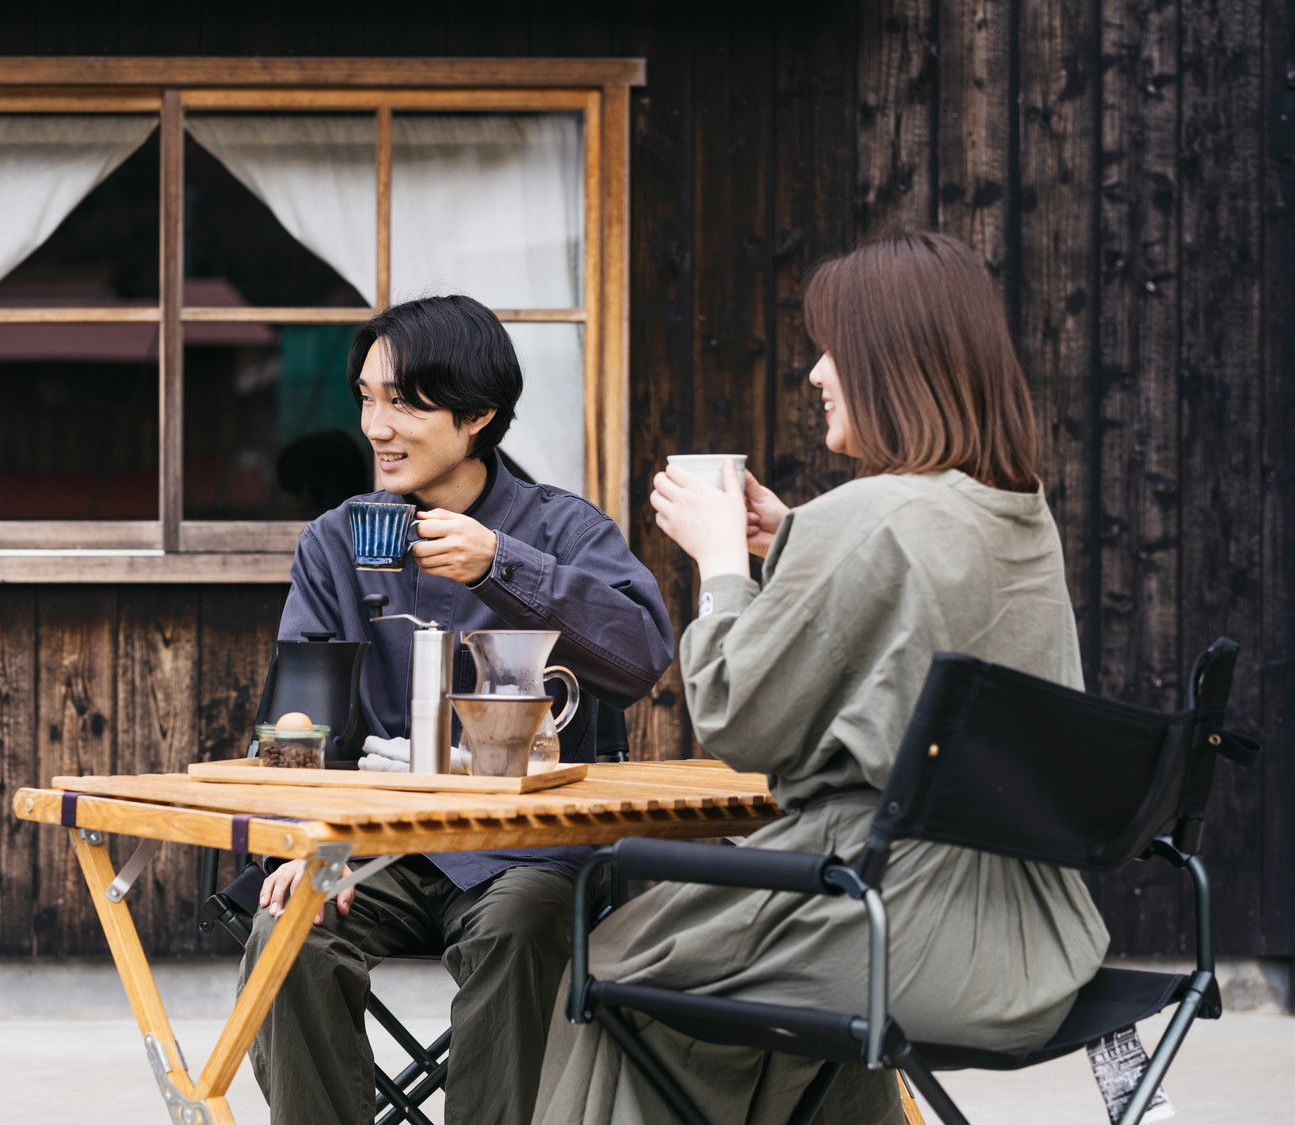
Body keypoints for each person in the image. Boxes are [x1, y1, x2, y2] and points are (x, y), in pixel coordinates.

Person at [530, 230, 1110, 1124]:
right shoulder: (1015, 513)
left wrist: (722, 564)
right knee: (764, 999)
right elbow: (919, 590)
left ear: (888, 361)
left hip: (892, 930)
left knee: (609, 958)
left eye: (831, 347)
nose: (814, 373)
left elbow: (735, 717)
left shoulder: (870, 518)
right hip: (1039, 939)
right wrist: (796, 541)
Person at [242, 294, 677, 1125]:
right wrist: (303, 839)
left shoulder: (561, 531)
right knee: (288, 926)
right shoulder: (338, 542)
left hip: (529, 851)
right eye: (367, 398)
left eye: (404, 401)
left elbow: (640, 658)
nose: (376, 426)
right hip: (372, 841)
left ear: (477, 414)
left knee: (520, 924)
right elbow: (302, 722)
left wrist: (500, 567)